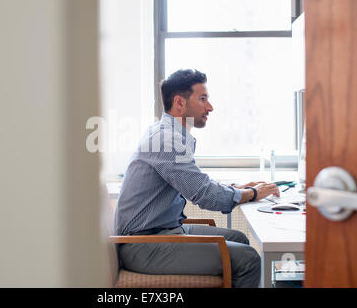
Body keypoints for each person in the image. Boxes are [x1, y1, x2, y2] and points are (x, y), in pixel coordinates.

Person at [113, 69, 280, 288]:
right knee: (248, 260)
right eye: (202, 99)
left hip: (165, 232)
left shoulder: (168, 134)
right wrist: (253, 194)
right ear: (179, 102)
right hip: (144, 245)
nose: (210, 107)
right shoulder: (166, 140)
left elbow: (196, 181)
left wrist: (237, 188)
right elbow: (204, 194)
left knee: (239, 239)